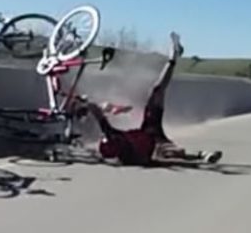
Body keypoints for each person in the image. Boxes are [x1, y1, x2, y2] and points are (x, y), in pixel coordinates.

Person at [86, 32, 222, 166]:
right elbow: (101, 122)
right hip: (155, 143)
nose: (107, 138)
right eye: (108, 140)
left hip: (149, 131)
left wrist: (90, 103)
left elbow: (99, 118)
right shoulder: (125, 152)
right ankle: (201, 155)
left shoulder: (116, 142)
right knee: (170, 152)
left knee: (157, 91)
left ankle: (172, 58)